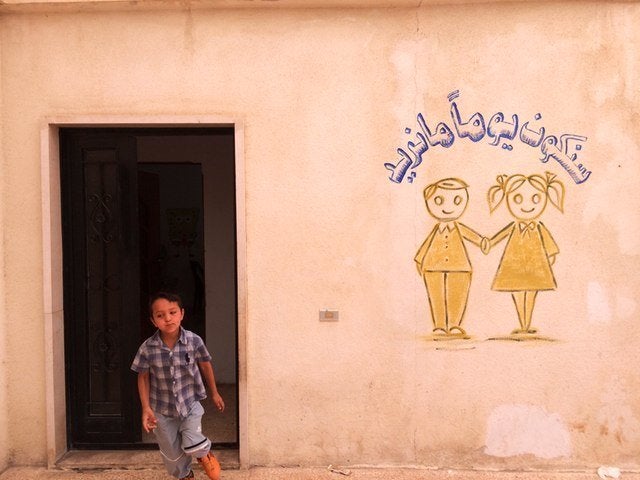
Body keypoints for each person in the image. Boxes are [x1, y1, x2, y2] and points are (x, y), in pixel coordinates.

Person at [131, 291, 226, 480]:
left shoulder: (194, 341)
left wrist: (214, 393)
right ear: (153, 321)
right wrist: (146, 408)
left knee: (193, 443)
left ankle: (204, 452)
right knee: (172, 456)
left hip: (189, 404)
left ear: (182, 314)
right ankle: (185, 475)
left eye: (172, 312)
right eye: (160, 315)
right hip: (161, 410)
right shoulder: (147, 348)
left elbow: (205, 365)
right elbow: (142, 377)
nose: (168, 318)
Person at [486, 172, 565, 335]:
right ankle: (522, 324)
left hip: (535, 266)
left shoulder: (539, 227)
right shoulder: (513, 226)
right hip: (513, 266)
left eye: (536, 199)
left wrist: (551, 254)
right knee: (517, 293)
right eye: (517, 199)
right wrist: (489, 243)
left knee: (531, 295)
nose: (526, 205)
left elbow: (549, 243)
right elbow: (499, 236)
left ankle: (527, 325)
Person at [414, 178, 489, 336]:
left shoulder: (459, 228)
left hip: (459, 267)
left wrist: (482, 241)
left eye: (456, 200)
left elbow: (472, 236)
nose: (448, 208)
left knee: (458, 295)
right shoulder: (436, 229)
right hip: (433, 267)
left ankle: (455, 324)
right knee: (436, 296)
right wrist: (419, 258)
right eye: (439, 200)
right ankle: (439, 325)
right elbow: (426, 245)